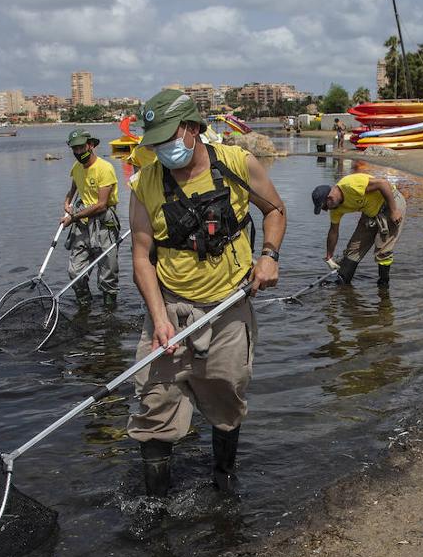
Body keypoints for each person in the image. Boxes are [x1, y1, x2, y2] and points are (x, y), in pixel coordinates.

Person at [126, 89, 286, 497]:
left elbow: (275, 210)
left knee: (226, 396)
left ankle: (223, 479)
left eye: (169, 137)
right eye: (156, 141)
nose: (163, 148)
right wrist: (159, 317)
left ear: (194, 128)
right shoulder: (144, 183)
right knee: (154, 404)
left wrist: (268, 256)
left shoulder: (236, 162)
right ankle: (156, 507)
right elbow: (141, 257)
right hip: (170, 309)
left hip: (228, 307)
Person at [310, 170, 406, 288]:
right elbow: (333, 231)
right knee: (353, 248)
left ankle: (383, 285)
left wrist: (394, 211)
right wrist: (329, 256)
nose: (326, 210)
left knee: (383, 249)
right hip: (370, 212)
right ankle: (343, 283)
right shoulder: (336, 208)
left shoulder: (351, 185)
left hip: (390, 203)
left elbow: (383, 184)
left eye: (324, 207)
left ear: (330, 198)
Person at [61, 128, 121, 307]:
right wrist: (67, 203)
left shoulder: (105, 168)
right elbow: (73, 188)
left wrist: (73, 217)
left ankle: (109, 310)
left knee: (107, 272)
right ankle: (84, 304)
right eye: (75, 149)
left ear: (91, 145)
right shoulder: (77, 167)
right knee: (75, 270)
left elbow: (101, 204)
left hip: (103, 223)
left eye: (81, 148)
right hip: (82, 223)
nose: (78, 152)